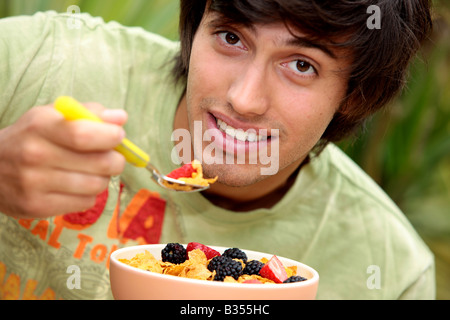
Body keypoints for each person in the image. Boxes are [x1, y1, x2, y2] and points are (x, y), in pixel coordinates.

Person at [0, 0, 435, 300]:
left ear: (355, 95)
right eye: (231, 38)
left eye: (301, 65)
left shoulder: (391, 273)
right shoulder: (38, 63)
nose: (245, 99)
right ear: (193, 30)